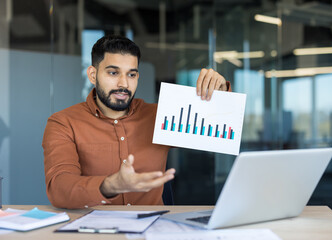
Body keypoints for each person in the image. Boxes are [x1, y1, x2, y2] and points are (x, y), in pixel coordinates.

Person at [42, 35, 230, 209]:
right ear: (92, 75)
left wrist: (220, 94)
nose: (124, 84)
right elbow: (59, 187)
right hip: (95, 232)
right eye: (113, 73)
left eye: (131, 74)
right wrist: (110, 185)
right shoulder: (63, 123)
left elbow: (221, 127)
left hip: (155, 230)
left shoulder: (160, 115)